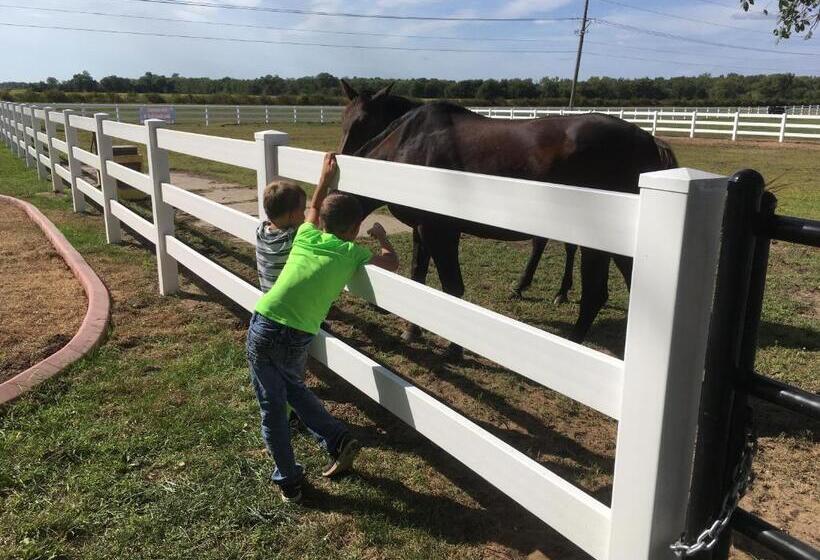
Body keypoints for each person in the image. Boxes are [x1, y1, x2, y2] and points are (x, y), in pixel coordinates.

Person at [246, 152, 399, 504]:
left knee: (273, 406)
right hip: (300, 333)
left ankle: (289, 480)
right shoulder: (351, 252)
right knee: (294, 390)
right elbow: (391, 263)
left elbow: (313, 208)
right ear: (354, 229)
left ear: (320, 221)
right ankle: (336, 440)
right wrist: (383, 239)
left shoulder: (303, 235)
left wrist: (323, 179)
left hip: (266, 326)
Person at [255, 180, 306, 293]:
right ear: (292, 215)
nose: (304, 216)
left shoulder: (260, 232)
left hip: (268, 298)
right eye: (302, 210)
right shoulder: (291, 237)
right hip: (288, 305)